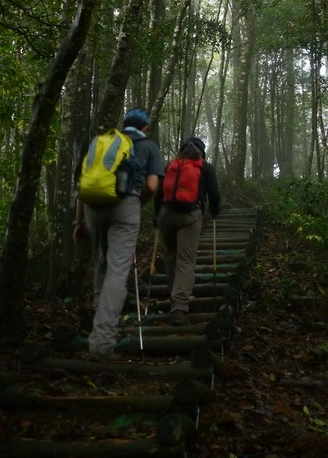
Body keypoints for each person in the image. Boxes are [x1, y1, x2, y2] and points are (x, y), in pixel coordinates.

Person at [73, 107, 164, 360]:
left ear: (124, 125)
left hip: (92, 207)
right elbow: (153, 186)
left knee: (101, 263)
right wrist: (136, 203)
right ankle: (102, 343)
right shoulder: (148, 146)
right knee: (117, 270)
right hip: (125, 205)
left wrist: (78, 223)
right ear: (145, 127)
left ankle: (98, 326)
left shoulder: (101, 142)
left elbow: (82, 182)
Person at [154, 136, 220, 326]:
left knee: (171, 256)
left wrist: (155, 218)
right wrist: (214, 212)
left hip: (166, 215)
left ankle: (173, 296)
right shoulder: (205, 168)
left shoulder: (171, 166)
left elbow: (159, 194)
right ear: (202, 153)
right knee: (186, 260)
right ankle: (179, 308)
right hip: (190, 217)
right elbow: (214, 195)